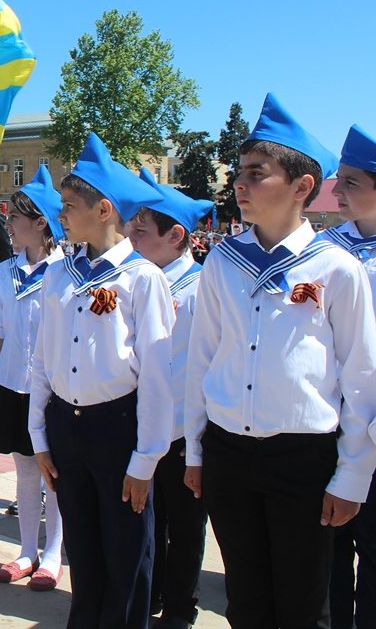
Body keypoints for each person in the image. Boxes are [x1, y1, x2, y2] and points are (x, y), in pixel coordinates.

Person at [184, 95, 376, 629]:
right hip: (229, 452)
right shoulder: (223, 261)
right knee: (246, 601)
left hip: (303, 458)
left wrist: (353, 475)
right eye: (239, 172)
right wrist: (195, 449)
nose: (239, 184)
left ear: (302, 187)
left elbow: (361, 377)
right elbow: (202, 360)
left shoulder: (335, 267)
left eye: (257, 173)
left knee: (302, 604)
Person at [30, 133, 174, 629]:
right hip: (66, 428)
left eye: (70, 205)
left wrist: (146, 459)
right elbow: (42, 358)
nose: (61, 214)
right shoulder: (59, 274)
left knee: (126, 552)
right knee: (84, 551)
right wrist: (39, 435)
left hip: (118, 429)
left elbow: (157, 377)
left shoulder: (142, 278)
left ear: (105, 209)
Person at [129, 167, 215, 628]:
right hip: (144, 426)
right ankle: (152, 595)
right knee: (147, 522)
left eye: (142, 230)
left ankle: (180, 609)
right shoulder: (139, 280)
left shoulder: (201, 287)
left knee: (184, 527)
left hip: (185, 432)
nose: (132, 237)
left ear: (176, 236)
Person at [0, 166, 67, 592]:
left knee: (55, 475)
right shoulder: (5, 271)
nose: (8, 225)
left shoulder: (65, 271)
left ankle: (53, 553)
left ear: (41, 223)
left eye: (15, 218)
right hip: (12, 385)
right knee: (26, 471)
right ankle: (27, 551)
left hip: (50, 392)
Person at [325, 124, 376, 629]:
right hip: (329, 424)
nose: (336, 190)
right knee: (329, 553)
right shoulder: (325, 250)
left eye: (351, 182)